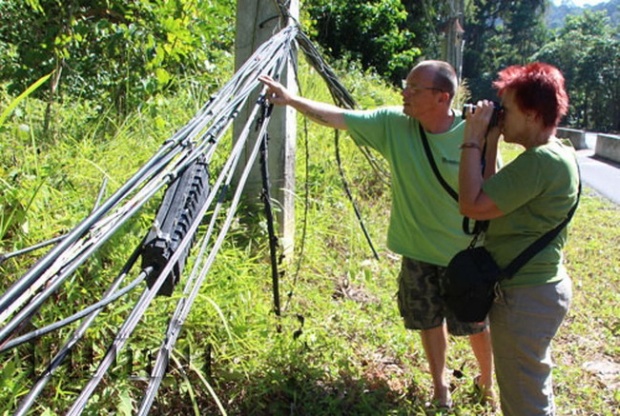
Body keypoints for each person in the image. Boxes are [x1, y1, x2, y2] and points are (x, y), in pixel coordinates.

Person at [259, 60, 494, 409]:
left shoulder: (474, 132)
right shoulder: (393, 124)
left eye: (415, 89)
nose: (405, 93)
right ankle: (440, 388)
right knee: (427, 321)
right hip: (417, 249)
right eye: (406, 85)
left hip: (464, 254)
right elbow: (336, 118)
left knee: (475, 322)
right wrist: (291, 100)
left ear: (442, 97)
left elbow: (492, 190)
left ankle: (487, 383)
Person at [459, 62, 578, 415]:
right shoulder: (555, 154)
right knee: (530, 387)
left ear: (530, 113)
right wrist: (492, 140)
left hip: (525, 297)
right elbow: (494, 195)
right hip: (539, 291)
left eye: (505, 110)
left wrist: (471, 139)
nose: (500, 115)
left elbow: (472, 204)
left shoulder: (540, 162)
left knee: (524, 402)